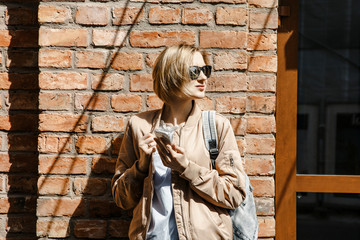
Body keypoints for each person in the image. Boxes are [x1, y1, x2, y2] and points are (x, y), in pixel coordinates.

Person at [111, 44, 247, 240]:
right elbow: (121, 199)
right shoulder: (139, 126)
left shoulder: (216, 126)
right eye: (195, 71)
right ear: (172, 74)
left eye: (205, 70)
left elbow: (235, 194)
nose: (203, 77)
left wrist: (187, 168)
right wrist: (140, 167)